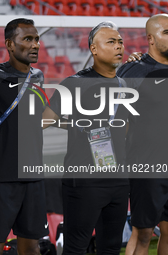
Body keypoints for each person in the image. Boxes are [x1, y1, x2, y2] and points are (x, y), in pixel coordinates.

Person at [43, 21, 130, 254]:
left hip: (119, 179)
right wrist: (76, 125)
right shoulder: (74, 84)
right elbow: (44, 121)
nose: (118, 46)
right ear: (93, 49)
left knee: (111, 247)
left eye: (120, 42)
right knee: (76, 247)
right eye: (110, 42)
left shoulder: (124, 85)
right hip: (83, 181)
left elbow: (125, 129)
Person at [0, 18, 48, 255]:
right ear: (9, 44)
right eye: (27, 39)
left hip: (34, 173)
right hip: (2, 176)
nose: (35, 44)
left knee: (31, 246)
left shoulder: (38, 76)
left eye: (36, 39)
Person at [117, 14, 168, 255]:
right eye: (166, 32)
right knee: (143, 231)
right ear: (150, 38)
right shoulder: (133, 71)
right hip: (146, 164)